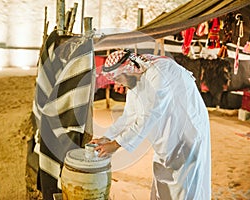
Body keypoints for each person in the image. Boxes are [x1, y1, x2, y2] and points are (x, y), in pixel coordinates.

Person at [90, 49, 211, 200]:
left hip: (187, 131)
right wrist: (107, 137)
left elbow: (150, 114)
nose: (118, 84)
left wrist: (116, 144)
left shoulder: (160, 72)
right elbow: (129, 115)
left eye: (119, 79)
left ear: (128, 70)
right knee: (163, 178)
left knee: (183, 186)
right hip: (167, 132)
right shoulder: (136, 77)